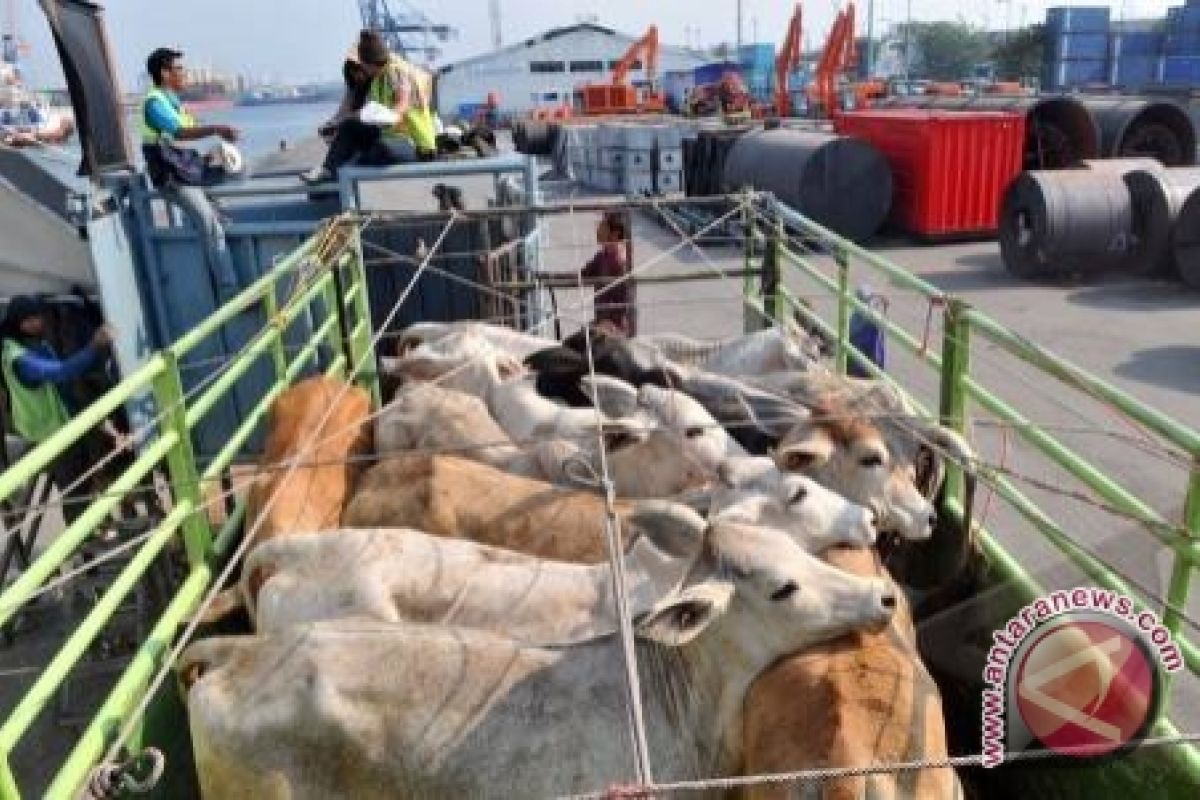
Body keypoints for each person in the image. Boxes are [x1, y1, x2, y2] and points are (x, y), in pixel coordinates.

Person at [1, 296, 116, 524]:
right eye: (30, 320)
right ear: (18, 323)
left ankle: (96, 526)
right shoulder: (19, 358)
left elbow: (61, 385)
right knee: (73, 487)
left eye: (37, 317)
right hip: (48, 432)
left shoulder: (33, 344)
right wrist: (94, 346)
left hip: (59, 423)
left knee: (85, 476)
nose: (38, 323)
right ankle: (83, 539)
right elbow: (61, 372)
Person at [141, 47, 242, 296]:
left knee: (240, 170)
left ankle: (211, 209)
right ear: (164, 73)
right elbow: (178, 133)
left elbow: (188, 134)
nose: (184, 73)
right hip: (172, 177)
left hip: (186, 167)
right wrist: (217, 129)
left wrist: (213, 150)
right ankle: (229, 290)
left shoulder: (173, 102)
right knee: (210, 225)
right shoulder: (155, 103)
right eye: (179, 69)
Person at [301, 30, 438, 184]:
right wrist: (337, 124)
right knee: (350, 127)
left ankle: (334, 182)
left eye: (363, 66)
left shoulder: (398, 72)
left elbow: (402, 105)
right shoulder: (377, 78)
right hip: (391, 138)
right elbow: (363, 111)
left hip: (414, 144)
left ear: (369, 64)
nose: (363, 71)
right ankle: (327, 171)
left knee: (360, 162)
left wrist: (388, 115)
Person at [581, 212, 636, 336]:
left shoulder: (620, 262)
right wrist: (549, 277)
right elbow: (583, 274)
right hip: (602, 322)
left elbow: (624, 302)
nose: (599, 229)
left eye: (603, 226)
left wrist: (608, 325)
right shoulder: (602, 256)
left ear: (615, 233)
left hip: (614, 327)